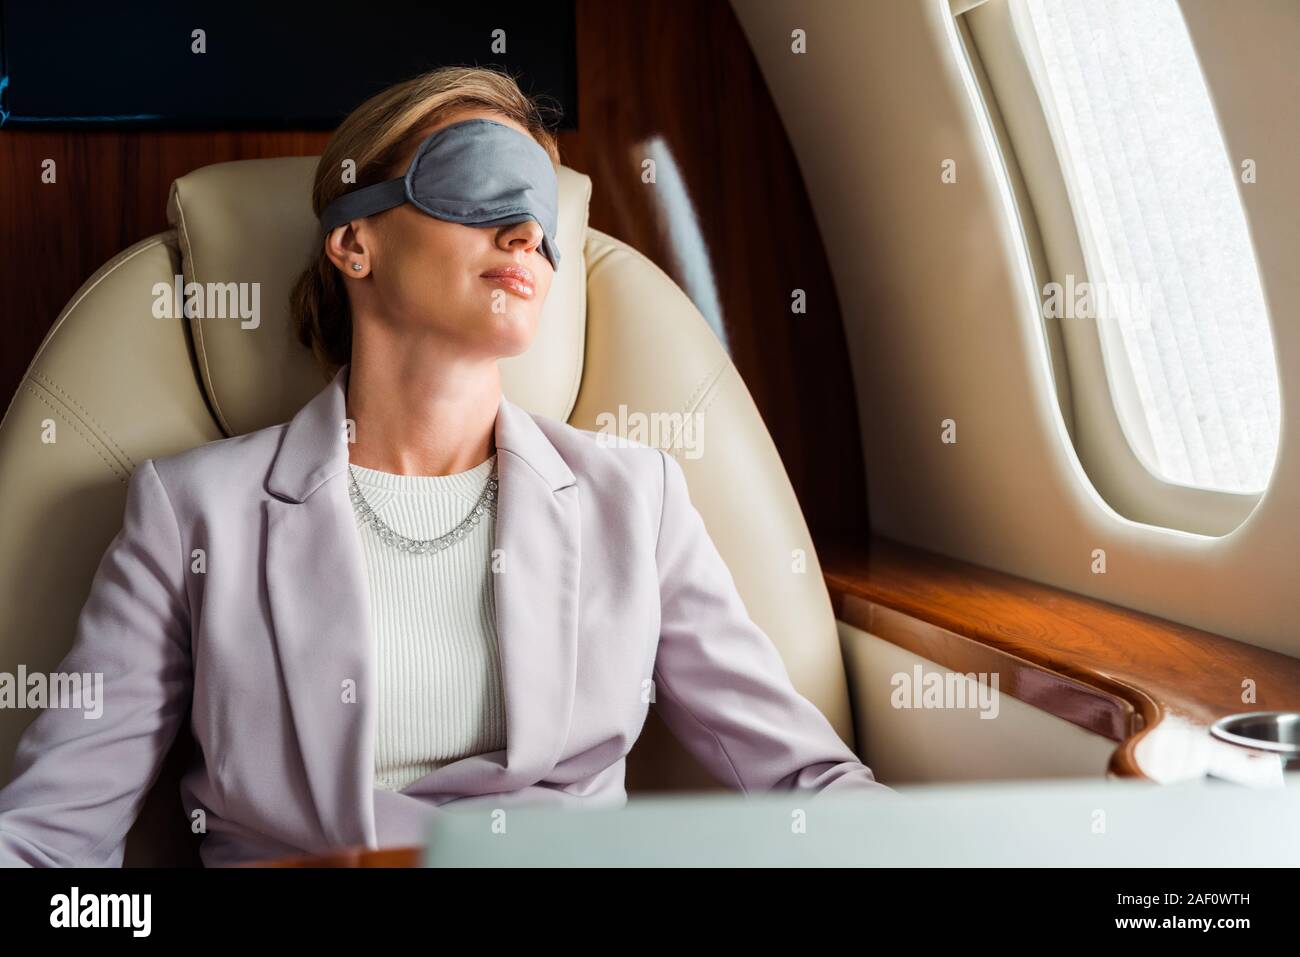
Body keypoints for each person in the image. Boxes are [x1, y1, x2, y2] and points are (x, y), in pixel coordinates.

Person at [0, 65, 890, 868]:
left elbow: (806, 780)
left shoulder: (637, 500)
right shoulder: (191, 513)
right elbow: (48, 838)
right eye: (475, 185)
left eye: (538, 215)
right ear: (355, 245)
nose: (523, 233)